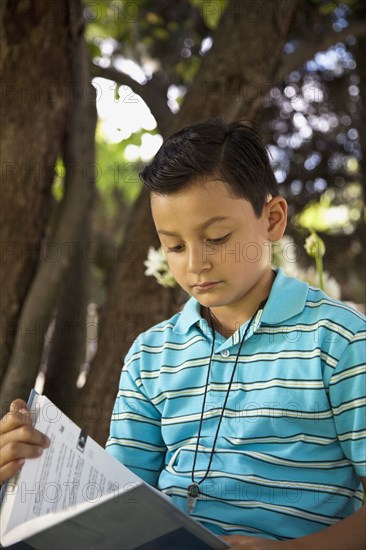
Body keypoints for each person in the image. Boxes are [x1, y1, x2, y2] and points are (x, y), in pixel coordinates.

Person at [1, 119, 365, 549]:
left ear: (272, 219)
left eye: (216, 238)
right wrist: (28, 468)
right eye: (174, 246)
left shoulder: (340, 343)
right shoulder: (150, 354)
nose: (195, 264)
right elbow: (119, 497)